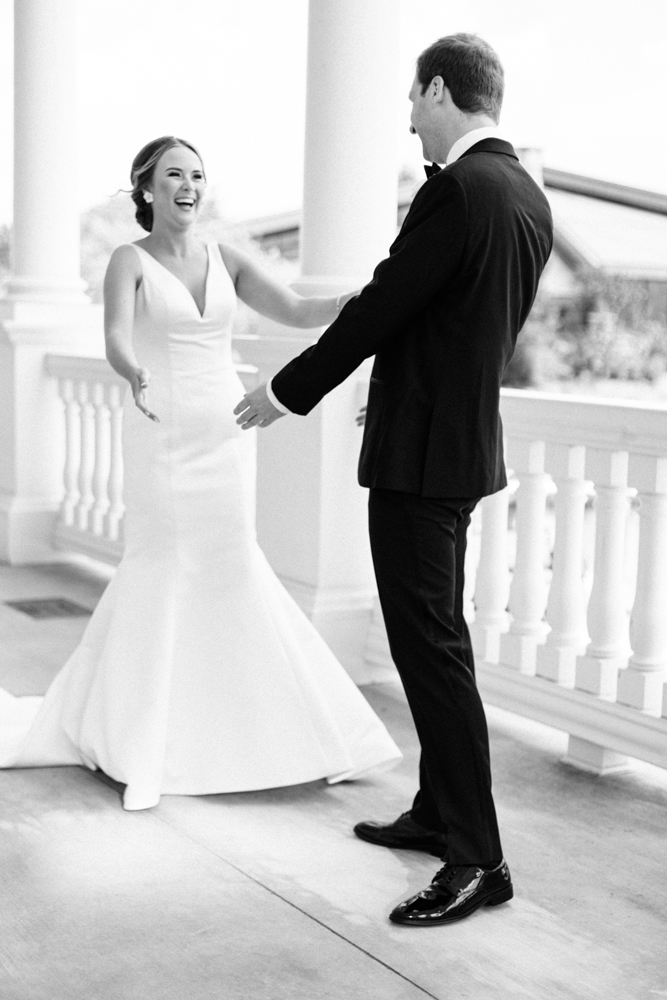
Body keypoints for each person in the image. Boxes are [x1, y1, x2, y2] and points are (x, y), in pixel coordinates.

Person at [234, 34, 554, 926]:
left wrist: (286, 391)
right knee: (429, 639)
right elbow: (462, 324)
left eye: (414, 99)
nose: (408, 117)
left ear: (442, 90)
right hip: (455, 445)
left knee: (431, 651)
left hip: (424, 462)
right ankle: (435, 810)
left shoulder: (454, 189)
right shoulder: (525, 193)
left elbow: (383, 303)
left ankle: (479, 859)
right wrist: (411, 390)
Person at [0, 136, 401, 810]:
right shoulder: (128, 260)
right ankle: (143, 739)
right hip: (158, 431)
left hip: (224, 432)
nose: (188, 186)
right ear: (147, 190)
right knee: (159, 568)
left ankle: (253, 730)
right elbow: (117, 338)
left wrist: (375, 293)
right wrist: (132, 370)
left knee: (228, 566)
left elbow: (300, 312)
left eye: (197, 176)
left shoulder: (228, 258)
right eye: (174, 176)